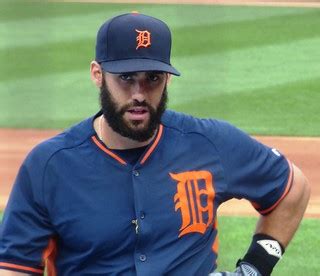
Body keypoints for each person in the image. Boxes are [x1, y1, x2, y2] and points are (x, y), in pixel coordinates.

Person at [0, 12, 310, 276]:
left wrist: (253, 268)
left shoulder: (209, 143)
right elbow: (13, 268)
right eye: (125, 77)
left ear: (168, 79)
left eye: (152, 78)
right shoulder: (49, 166)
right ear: (98, 74)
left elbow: (292, 188)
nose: (139, 93)